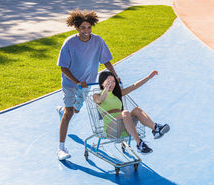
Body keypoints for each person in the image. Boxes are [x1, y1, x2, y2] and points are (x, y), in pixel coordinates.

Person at [56, 9, 120, 160]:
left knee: (76, 111)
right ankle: (61, 148)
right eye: (83, 28)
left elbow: (105, 61)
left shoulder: (98, 41)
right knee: (69, 112)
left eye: (89, 27)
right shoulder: (69, 43)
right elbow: (63, 67)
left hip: (87, 84)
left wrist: (115, 76)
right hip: (70, 84)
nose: (86, 31)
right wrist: (77, 81)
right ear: (77, 28)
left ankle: (61, 111)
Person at [94, 71, 170, 154]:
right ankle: (139, 144)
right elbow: (100, 100)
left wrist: (148, 77)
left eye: (113, 81)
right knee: (125, 112)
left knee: (137, 110)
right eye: (108, 81)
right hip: (111, 129)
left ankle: (155, 128)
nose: (111, 84)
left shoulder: (117, 94)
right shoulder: (96, 96)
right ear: (102, 83)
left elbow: (134, 87)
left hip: (125, 126)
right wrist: (106, 88)